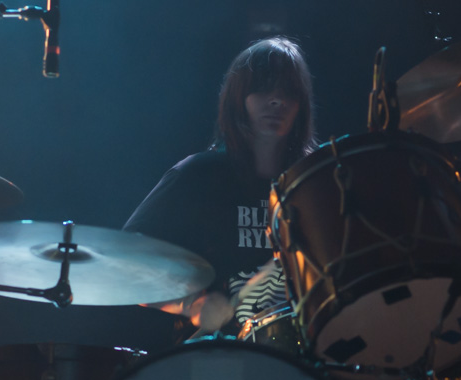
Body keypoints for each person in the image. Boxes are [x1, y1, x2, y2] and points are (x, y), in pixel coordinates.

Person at [123, 36, 317, 337]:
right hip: (215, 362)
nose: (277, 100)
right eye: (264, 87)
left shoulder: (314, 186)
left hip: (303, 353)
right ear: (238, 99)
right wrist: (191, 305)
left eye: (288, 91)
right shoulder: (198, 175)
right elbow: (124, 264)